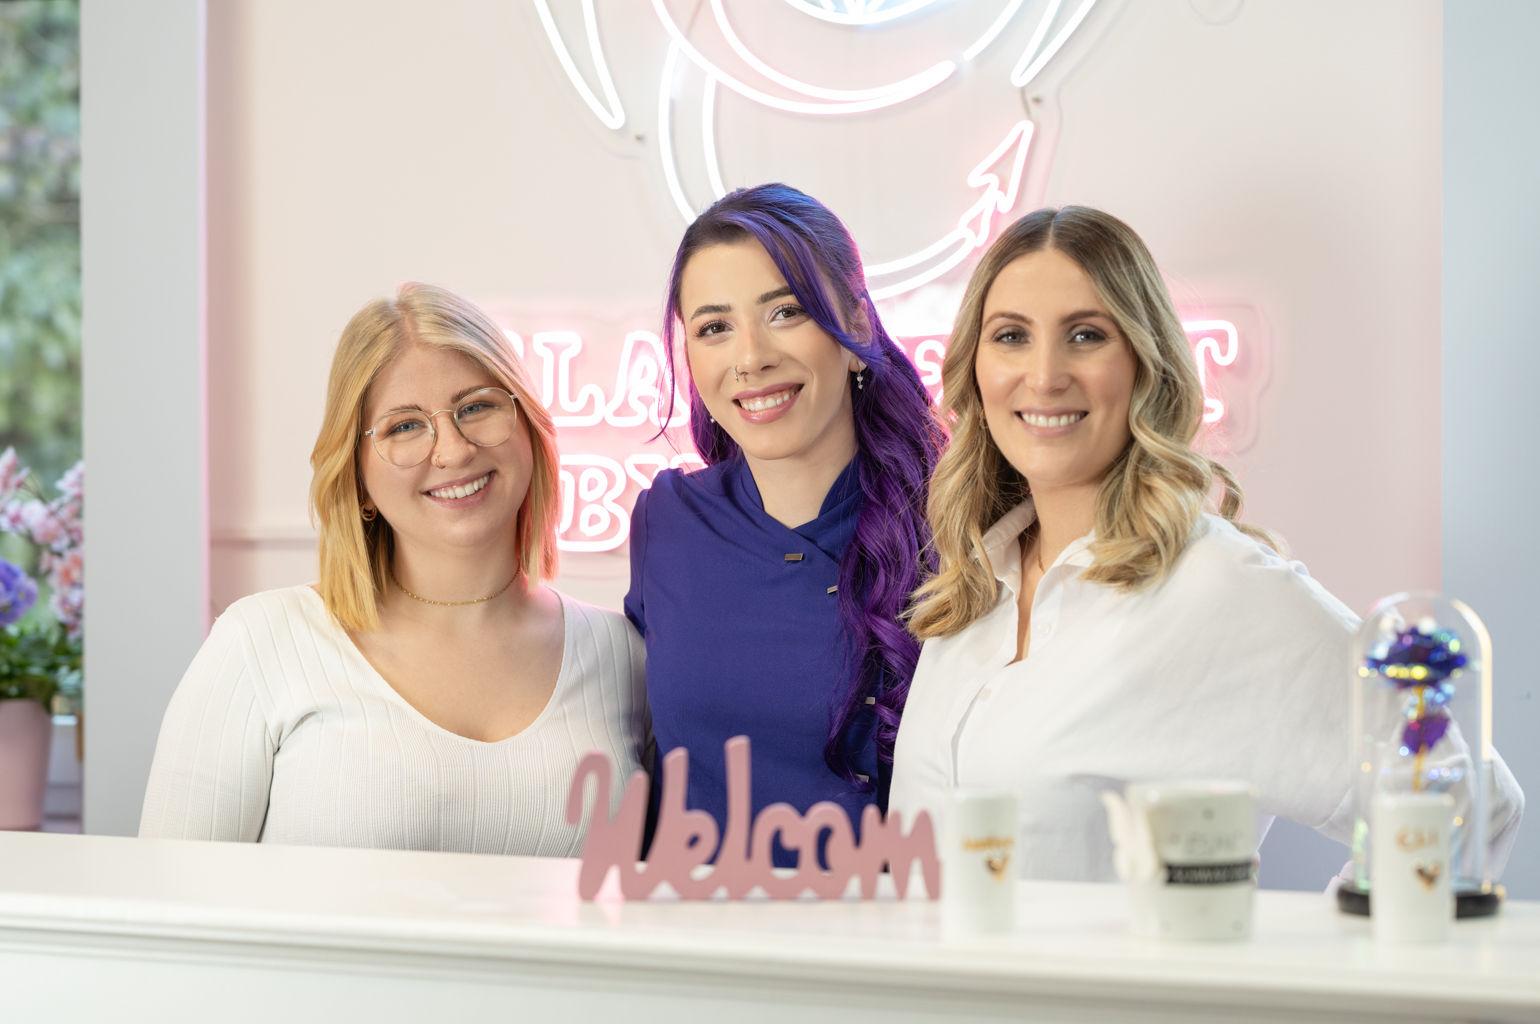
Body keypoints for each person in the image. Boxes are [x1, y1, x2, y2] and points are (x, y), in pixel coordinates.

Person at [891, 207, 1523, 882]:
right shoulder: (971, 591)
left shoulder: (1217, 585)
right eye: (1011, 336)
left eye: (1086, 335)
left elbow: (1468, 800)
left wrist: (1335, 942)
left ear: (1145, 364)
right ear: (975, 368)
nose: (1045, 375)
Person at [140, 283, 648, 853]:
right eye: (404, 426)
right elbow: (169, 895)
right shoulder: (261, 643)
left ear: (528, 427)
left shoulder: (624, 655)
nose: (453, 450)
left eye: (476, 407)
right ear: (356, 476)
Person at [626, 184, 945, 865]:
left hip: (895, 923)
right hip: (693, 922)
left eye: (786, 311)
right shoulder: (667, 522)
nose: (751, 357)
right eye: (715, 327)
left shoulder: (956, 523)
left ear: (857, 329)